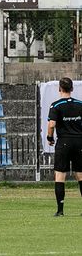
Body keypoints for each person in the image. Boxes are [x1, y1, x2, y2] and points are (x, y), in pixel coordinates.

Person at [47, 77, 82, 217]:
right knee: (80, 174)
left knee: (60, 175)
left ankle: (60, 210)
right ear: (72, 89)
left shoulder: (56, 105)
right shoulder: (80, 104)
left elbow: (51, 125)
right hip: (79, 141)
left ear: (60, 89)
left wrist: (50, 138)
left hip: (64, 142)